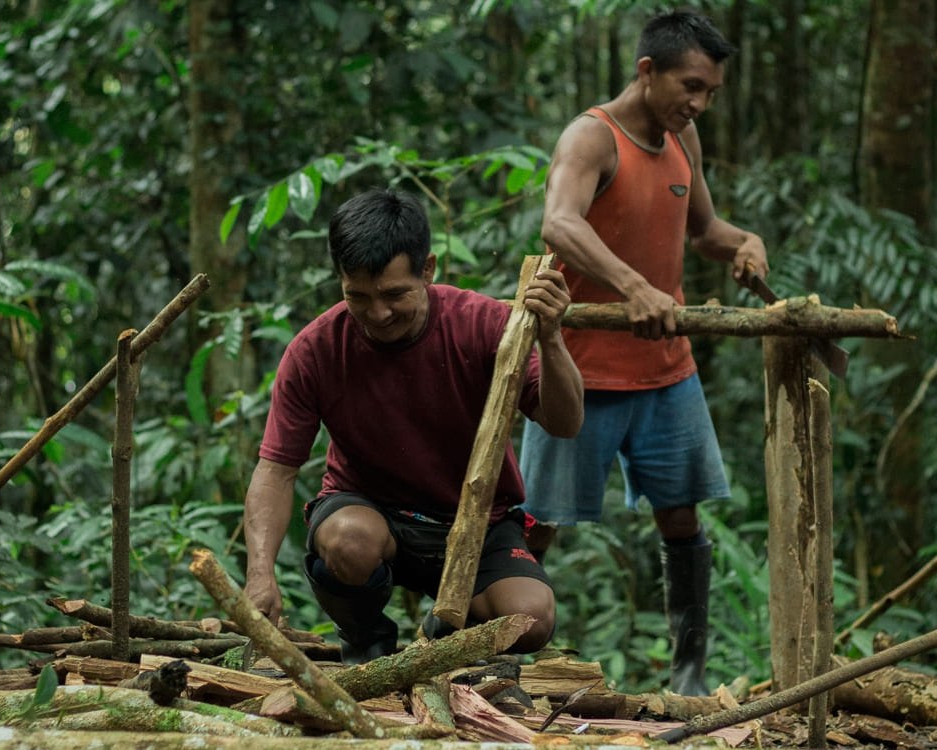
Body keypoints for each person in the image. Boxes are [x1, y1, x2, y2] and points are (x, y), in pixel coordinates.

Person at [519, 10, 769, 696]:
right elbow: (558, 222)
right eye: (691, 85)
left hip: (666, 372)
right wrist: (632, 285)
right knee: (537, 521)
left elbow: (706, 230)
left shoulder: (682, 137)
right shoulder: (592, 137)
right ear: (647, 70)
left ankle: (688, 677)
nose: (700, 102)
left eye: (711, 91)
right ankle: (496, 661)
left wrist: (744, 244)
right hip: (581, 370)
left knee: (682, 514)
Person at [243, 188, 584, 665]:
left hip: (477, 522)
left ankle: (442, 640)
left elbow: (565, 423)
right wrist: (260, 573)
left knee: (529, 619)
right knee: (347, 542)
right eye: (357, 296)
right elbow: (275, 470)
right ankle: (366, 644)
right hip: (371, 511)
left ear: (428, 269)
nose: (377, 314)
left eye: (394, 294)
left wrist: (551, 339)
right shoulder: (315, 350)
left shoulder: (484, 324)